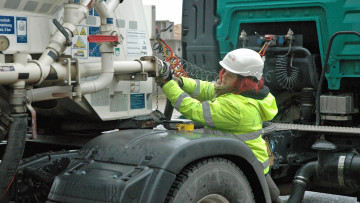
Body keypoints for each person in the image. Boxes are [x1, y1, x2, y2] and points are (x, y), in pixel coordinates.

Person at [156, 48, 281, 203]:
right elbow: (210, 89)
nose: (223, 76)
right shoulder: (251, 93)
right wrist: (181, 82)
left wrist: (168, 85)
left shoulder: (237, 107)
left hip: (244, 164)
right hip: (253, 162)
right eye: (225, 71)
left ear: (244, 81)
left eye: (230, 75)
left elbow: (195, 110)